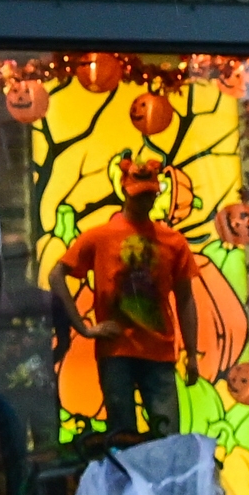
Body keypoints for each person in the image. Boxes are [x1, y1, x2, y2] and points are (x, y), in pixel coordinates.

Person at [66, 152, 202, 446]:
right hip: (116, 350)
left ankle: (163, 489)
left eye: (150, 195)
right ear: (126, 191)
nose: (146, 201)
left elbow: (185, 298)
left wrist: (192, 352)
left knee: (167, 438)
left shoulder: (172, 242)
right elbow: (58, 274)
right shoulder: (100, 237)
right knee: (122, 436)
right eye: (140, 195)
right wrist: (84, 327)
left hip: (159, 349)